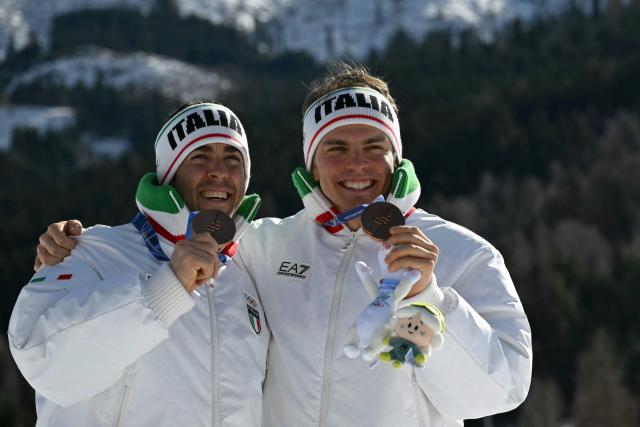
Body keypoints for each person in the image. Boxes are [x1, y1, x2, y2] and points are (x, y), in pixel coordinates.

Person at [33, 64, 532, 426]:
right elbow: (167, 251)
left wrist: (431, 299)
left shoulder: (463, 253)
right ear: (313, 165)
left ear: (396, 156)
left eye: (372, 147)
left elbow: (502, 390)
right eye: (336, 148)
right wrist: (75, 246)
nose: (356, 165)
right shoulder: (264, 246)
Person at [8, 101, 270, 426]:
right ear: (169, 173)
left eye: (233, 158)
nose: (219, 171)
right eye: (200, 156)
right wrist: (166, 289)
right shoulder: (90, 252)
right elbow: (38, 354)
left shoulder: (250, 269)